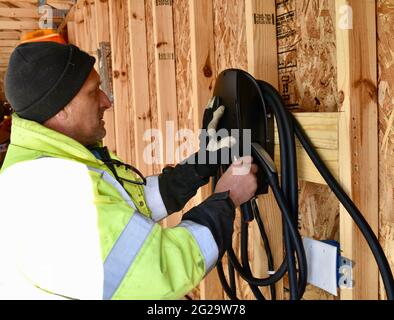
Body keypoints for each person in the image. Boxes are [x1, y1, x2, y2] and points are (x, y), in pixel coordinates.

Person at [0, 42, 257, 300]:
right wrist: (227, 197)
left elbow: (131, 206)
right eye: (93, 92)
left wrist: (203, 162)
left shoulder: (44, 165)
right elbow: (161, 272)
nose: (106, 101)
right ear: (61, 109)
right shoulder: (49, 189)